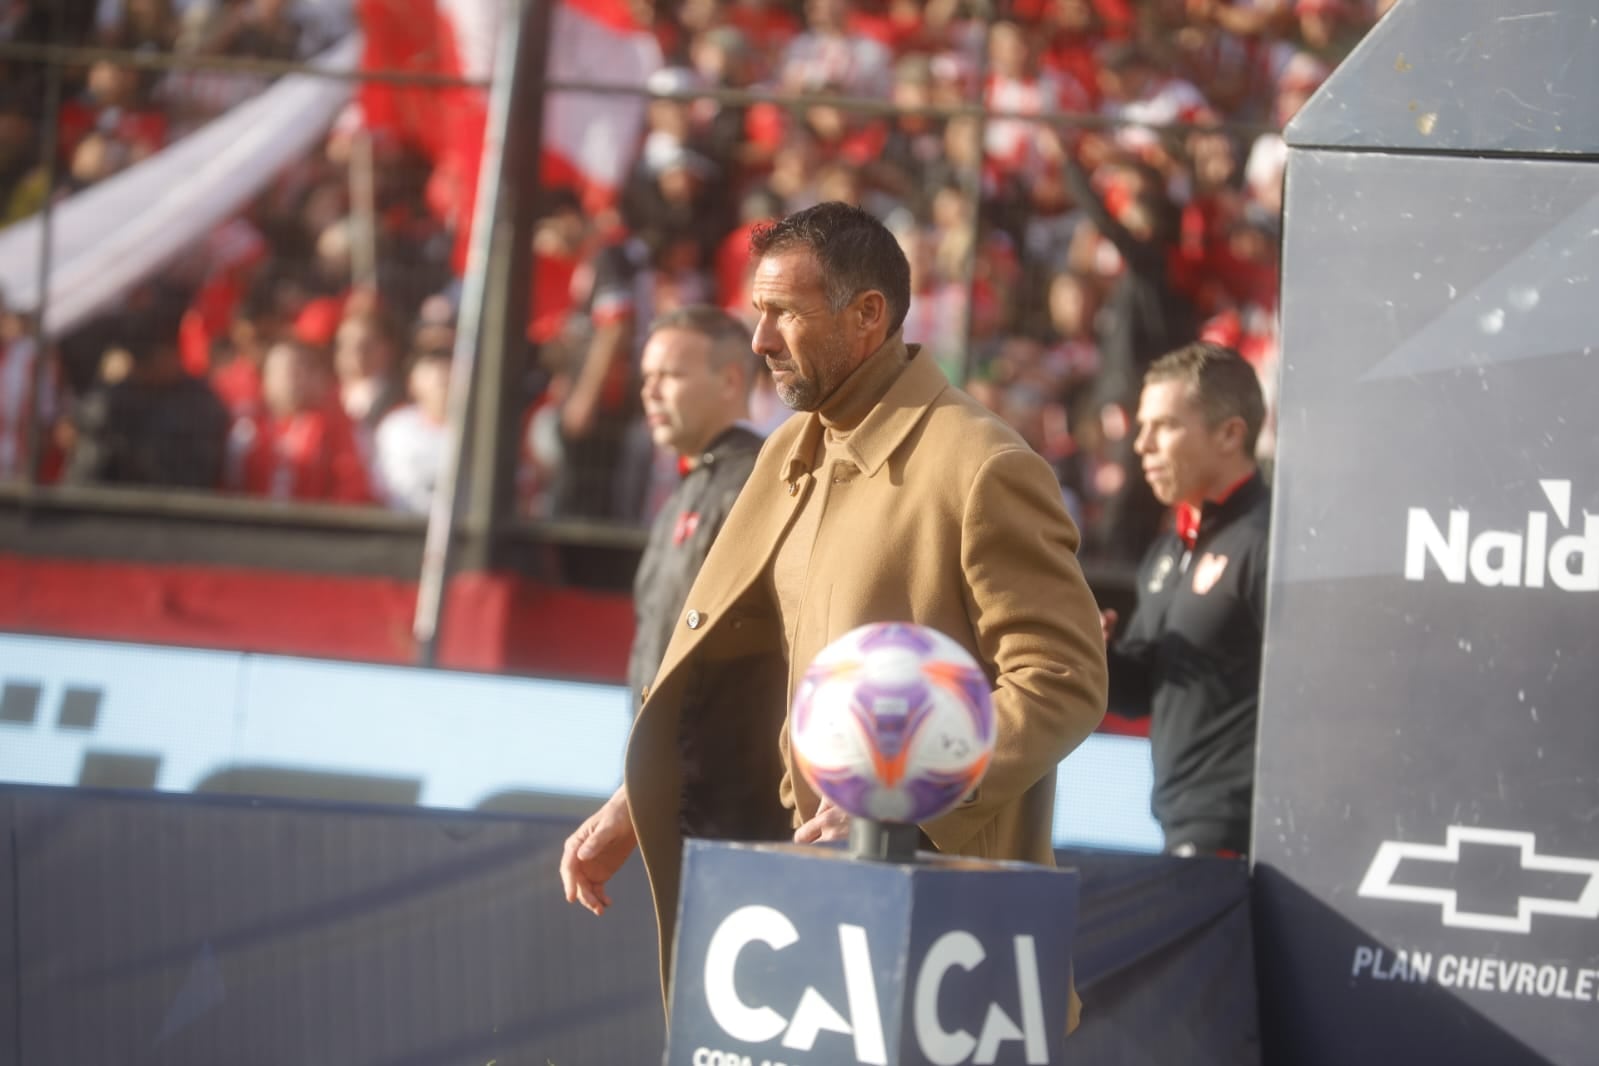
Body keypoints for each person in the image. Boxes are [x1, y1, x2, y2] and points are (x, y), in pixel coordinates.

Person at [559, 202, 1107, 1023]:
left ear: (868, 317)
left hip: (933, 943)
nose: (760, 340)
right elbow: (738, 668)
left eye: (783, 313)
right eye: (757, 312)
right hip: (801, 909)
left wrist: (897, 799)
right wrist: (635, 801)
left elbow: (1060, 681)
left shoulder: (983, 464)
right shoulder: (785, 448)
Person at [1099, 341, 1269, 858]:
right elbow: (1140, 693)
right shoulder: (1169, 550)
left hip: (1248, 839)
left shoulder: (1271, 543)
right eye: (1142, 425)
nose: (1141, 444)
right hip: (1178, 828)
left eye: (1165, 426)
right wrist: (1097, 654)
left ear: (1229, 434)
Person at [627, 307, 765, 728]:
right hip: (664, 771)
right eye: (647, 377)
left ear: (730, 381)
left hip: (716, 780)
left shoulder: (757, 485)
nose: (650, 392)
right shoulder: (688, 487)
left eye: (669, 376)